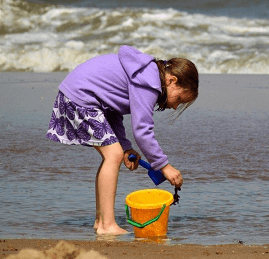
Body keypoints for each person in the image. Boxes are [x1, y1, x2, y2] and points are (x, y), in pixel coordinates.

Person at [46, 45, 199, 235]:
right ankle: (107, 226)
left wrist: (126, 147)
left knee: (115, 154)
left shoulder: (144, 75)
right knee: (113, 155)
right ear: (172, 80)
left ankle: (101, 221)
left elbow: (112, 111)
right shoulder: (150, 83)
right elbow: (142, 131)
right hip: (81, 97)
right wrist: (164, 166)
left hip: (78, 95)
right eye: (179, 99)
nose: (175, 107)